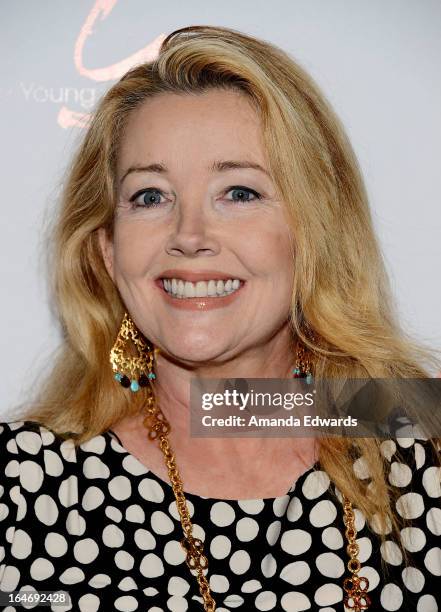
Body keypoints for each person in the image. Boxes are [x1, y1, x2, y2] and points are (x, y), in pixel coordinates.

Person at [1, 24, 440, 612]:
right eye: (150, 196)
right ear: (107, 250)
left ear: (315, 233)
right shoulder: (21, 484)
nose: (188, 236)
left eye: (239, 192)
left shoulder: (420, 448)